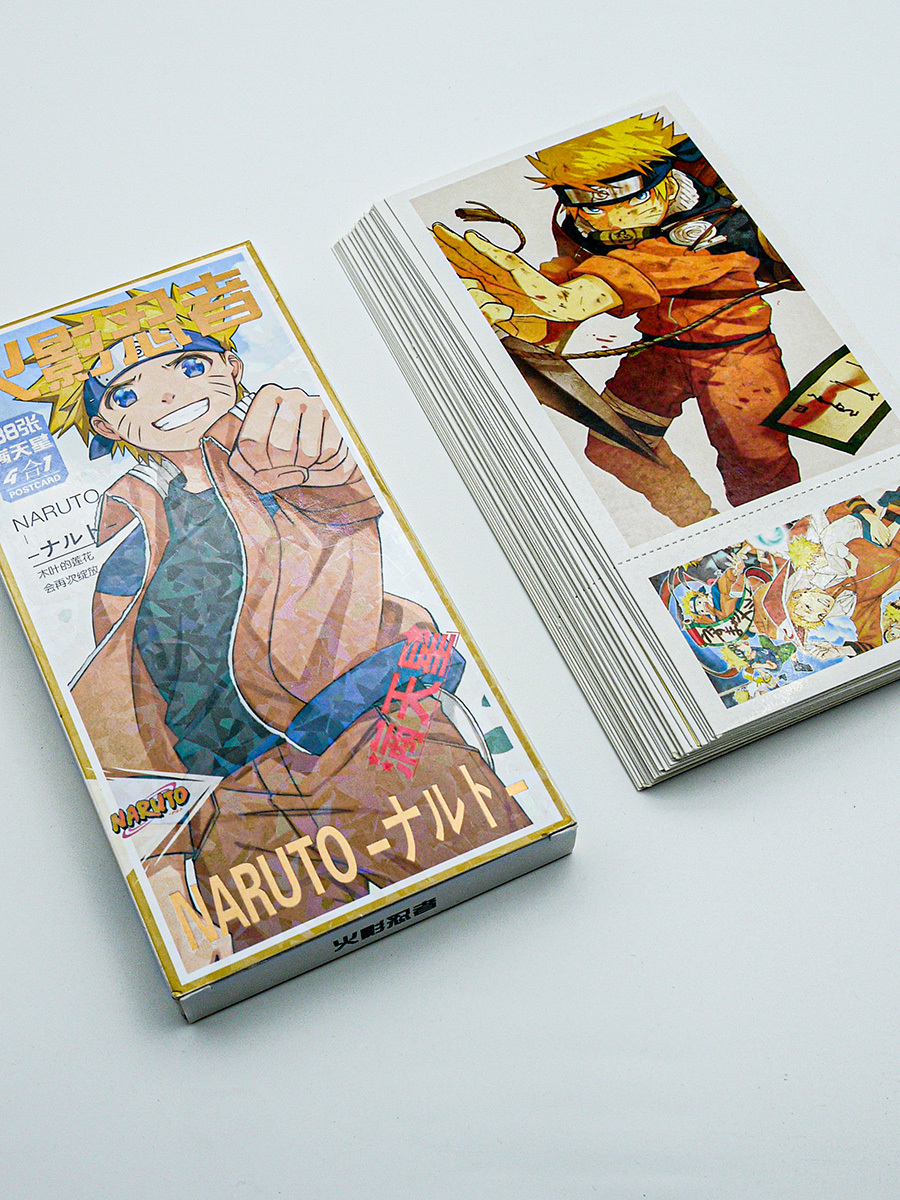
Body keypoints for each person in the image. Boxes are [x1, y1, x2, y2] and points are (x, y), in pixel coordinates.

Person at [38, 285, 530, 967]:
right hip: (234, 807)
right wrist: (165, 860)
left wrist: (314, 454)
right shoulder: (128, 545)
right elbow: (132, 708)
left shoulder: (283, 458)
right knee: (274, 969)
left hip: (375, 738)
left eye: (187, 367)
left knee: (507, 890)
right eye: (127, 394)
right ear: (109, 426)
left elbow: (338, 495)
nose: (165, 396)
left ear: (231, 368)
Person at [434, 113, 801, 528]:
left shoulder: (714, 229)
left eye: (611, 202)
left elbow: (624, 277)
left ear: (662, 188)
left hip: (736, 357)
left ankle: (786, 532)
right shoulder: (582, 223)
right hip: (660, 350)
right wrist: (534, 328)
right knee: (614, 446)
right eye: (584, 205)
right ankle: (701, 527)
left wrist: (561, 301)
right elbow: (571, 277)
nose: (599, 221)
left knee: (758, 464)